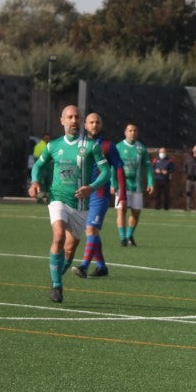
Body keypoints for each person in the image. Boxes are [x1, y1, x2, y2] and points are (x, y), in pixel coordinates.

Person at [28, 106, 110, 303]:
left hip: (81, 206)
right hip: (58, 199)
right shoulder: (53, 146)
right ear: (62, 120)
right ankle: (57, 286)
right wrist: (35, 181)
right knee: (58, 236)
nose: (73, 120)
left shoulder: (91, 146)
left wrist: (91, 187)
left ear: (81, 122)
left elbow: (106, 172)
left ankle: (57, 275)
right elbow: (38, 165)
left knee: (70, 250)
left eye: (76, 117)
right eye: (70, 117)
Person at [73, 113, 125, 279]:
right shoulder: (77, 145)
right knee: (92, 231)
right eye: (91, 122)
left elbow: (118, 168)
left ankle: (84, 266)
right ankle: (101, 266)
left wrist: (122, 194)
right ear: (85, 125)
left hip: (100, 194)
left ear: (101, 125)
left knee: (91, 229)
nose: (94, 124)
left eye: (97, 122)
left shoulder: (109, 146)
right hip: (81, 195)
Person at [114, 123, 154, 246]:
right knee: (121, 211)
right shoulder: (118, 147)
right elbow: (112, 167)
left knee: (136, 213)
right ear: (125, 132)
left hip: (137, 186)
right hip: (122, 186)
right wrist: (112, 183)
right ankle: (123, 239)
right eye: (130, 130)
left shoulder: (141, 148)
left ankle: (129, 235)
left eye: (135, 130)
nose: (133, 133)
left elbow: (148, 166)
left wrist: (151, 182)